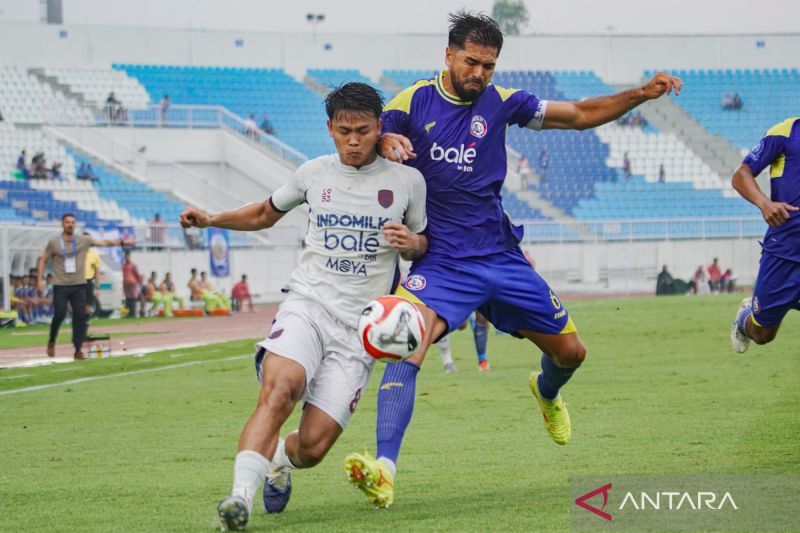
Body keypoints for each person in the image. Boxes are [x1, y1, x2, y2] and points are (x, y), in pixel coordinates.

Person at [343, 11, 683, 508]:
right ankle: (384, 470)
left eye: (489, 65)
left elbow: (582, 114)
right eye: (471, 61)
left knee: (572, 354)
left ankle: (546, 392)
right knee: (402, 343)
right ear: (449, 56)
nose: (480, 73)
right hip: (441, 265)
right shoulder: (412, 100)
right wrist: (386, 140)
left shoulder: (503, 103)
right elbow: (373, 135)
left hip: (502, 259)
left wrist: (639, 94)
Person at [179, 82, 428, 531]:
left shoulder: (408, 181)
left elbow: (422, 245)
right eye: (344, 130)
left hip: (360, 332)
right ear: (330, 128)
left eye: (364, 131)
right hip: (307, 305)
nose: (354, 140)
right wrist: (212, 219)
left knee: (311, 449)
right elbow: (264, 214)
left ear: (379, 129)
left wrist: (412, 243)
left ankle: (276, 460)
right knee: (280, 392)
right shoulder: (313, 174)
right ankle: (239, 500)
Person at [730, 117, 800, 353]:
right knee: (762, 334)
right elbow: (741, 175)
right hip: (785, 251)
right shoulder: (787, 132)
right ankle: (744, 320)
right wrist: (765, 204)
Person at [36, 213, 131, 359]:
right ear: (62, 224)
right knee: (60, 314)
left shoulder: (82, 240)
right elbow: (43, 259)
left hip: (79, 285)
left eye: (73, 222)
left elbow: (103, 242)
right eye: (68, 222)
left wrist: (122, 243)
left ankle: (78, 349)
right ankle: (52, 340)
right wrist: (39, 280)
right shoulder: (54, 242)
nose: (70, 225)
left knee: (80, 316)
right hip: (61, 285)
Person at [83, 232, 102, 317]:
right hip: (77, 282)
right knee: (77, 305)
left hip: (88, 282)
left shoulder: (94, 255)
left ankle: (85, 322)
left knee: (88, 305)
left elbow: (97, 273)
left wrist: (98, 287)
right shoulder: (76, 253)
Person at [122, 250, 143, 319]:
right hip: (126, 285)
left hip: (133, 284)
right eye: (125, 256)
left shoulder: (133, 265)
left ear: (129, 256)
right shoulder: (123, 265)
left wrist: (139, 283)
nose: (126, 257)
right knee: (128, 299)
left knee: (133, 298)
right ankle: (127, 315)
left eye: (127, 256)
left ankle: (133, 314)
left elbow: (136, 274)